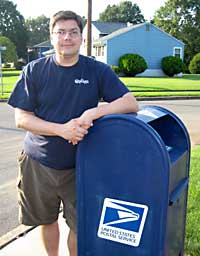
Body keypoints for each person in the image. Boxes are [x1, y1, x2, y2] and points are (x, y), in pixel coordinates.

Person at [8, 10, 139, 256]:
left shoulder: (96, 70)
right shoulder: (35, 70)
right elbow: (21, 118)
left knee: (80, 226)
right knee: (46, 220)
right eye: (61, 32)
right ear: (52, 37)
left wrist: (93, 113)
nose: (67, 37)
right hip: (38, 163)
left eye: (73, 32)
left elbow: (130, 103)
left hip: (82, 165)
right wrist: (62, 130)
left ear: (82, 38)